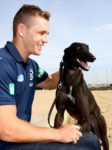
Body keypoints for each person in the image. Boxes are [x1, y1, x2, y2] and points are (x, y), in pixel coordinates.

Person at [0, 4, 101, 150]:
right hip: (7, 144)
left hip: (22, 138)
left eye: (47, 34)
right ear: (21, 30)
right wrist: (58, 134)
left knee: (92, 140)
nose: (46, 40)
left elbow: (49, 82)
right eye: (41, 33)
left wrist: (71, 64)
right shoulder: (3, 64)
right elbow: (6, 130)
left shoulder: (31, 66)